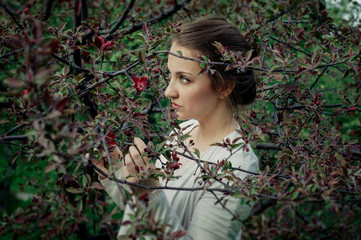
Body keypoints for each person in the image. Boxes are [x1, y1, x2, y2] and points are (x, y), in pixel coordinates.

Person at [92, 16, 259, 239]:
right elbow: (148, 212)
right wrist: (116, 172)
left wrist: (149, 192)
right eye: (171, 76)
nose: (168, 92)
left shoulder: (237, 167)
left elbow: (156, 205)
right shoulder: (183, 131)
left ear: (224, 87)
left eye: (185, 79)